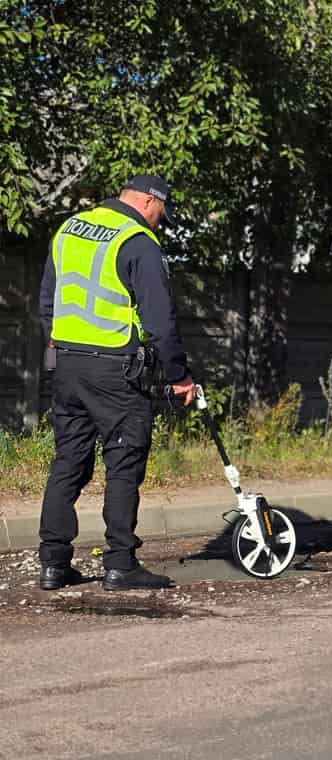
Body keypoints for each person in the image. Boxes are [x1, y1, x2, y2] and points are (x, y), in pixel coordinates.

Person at [37, 174, 195, 591]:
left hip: (68, 366)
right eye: (161, 212)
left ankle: (53, 564)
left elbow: (47, 302)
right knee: (124, 462)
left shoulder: (69, 229)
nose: (160, 221)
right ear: (148, 201)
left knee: (68, 460)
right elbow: (161, 320)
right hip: (115, 372)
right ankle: (121, 564)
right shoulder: (137, 241)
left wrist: (62, 350)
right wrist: (179, 375)